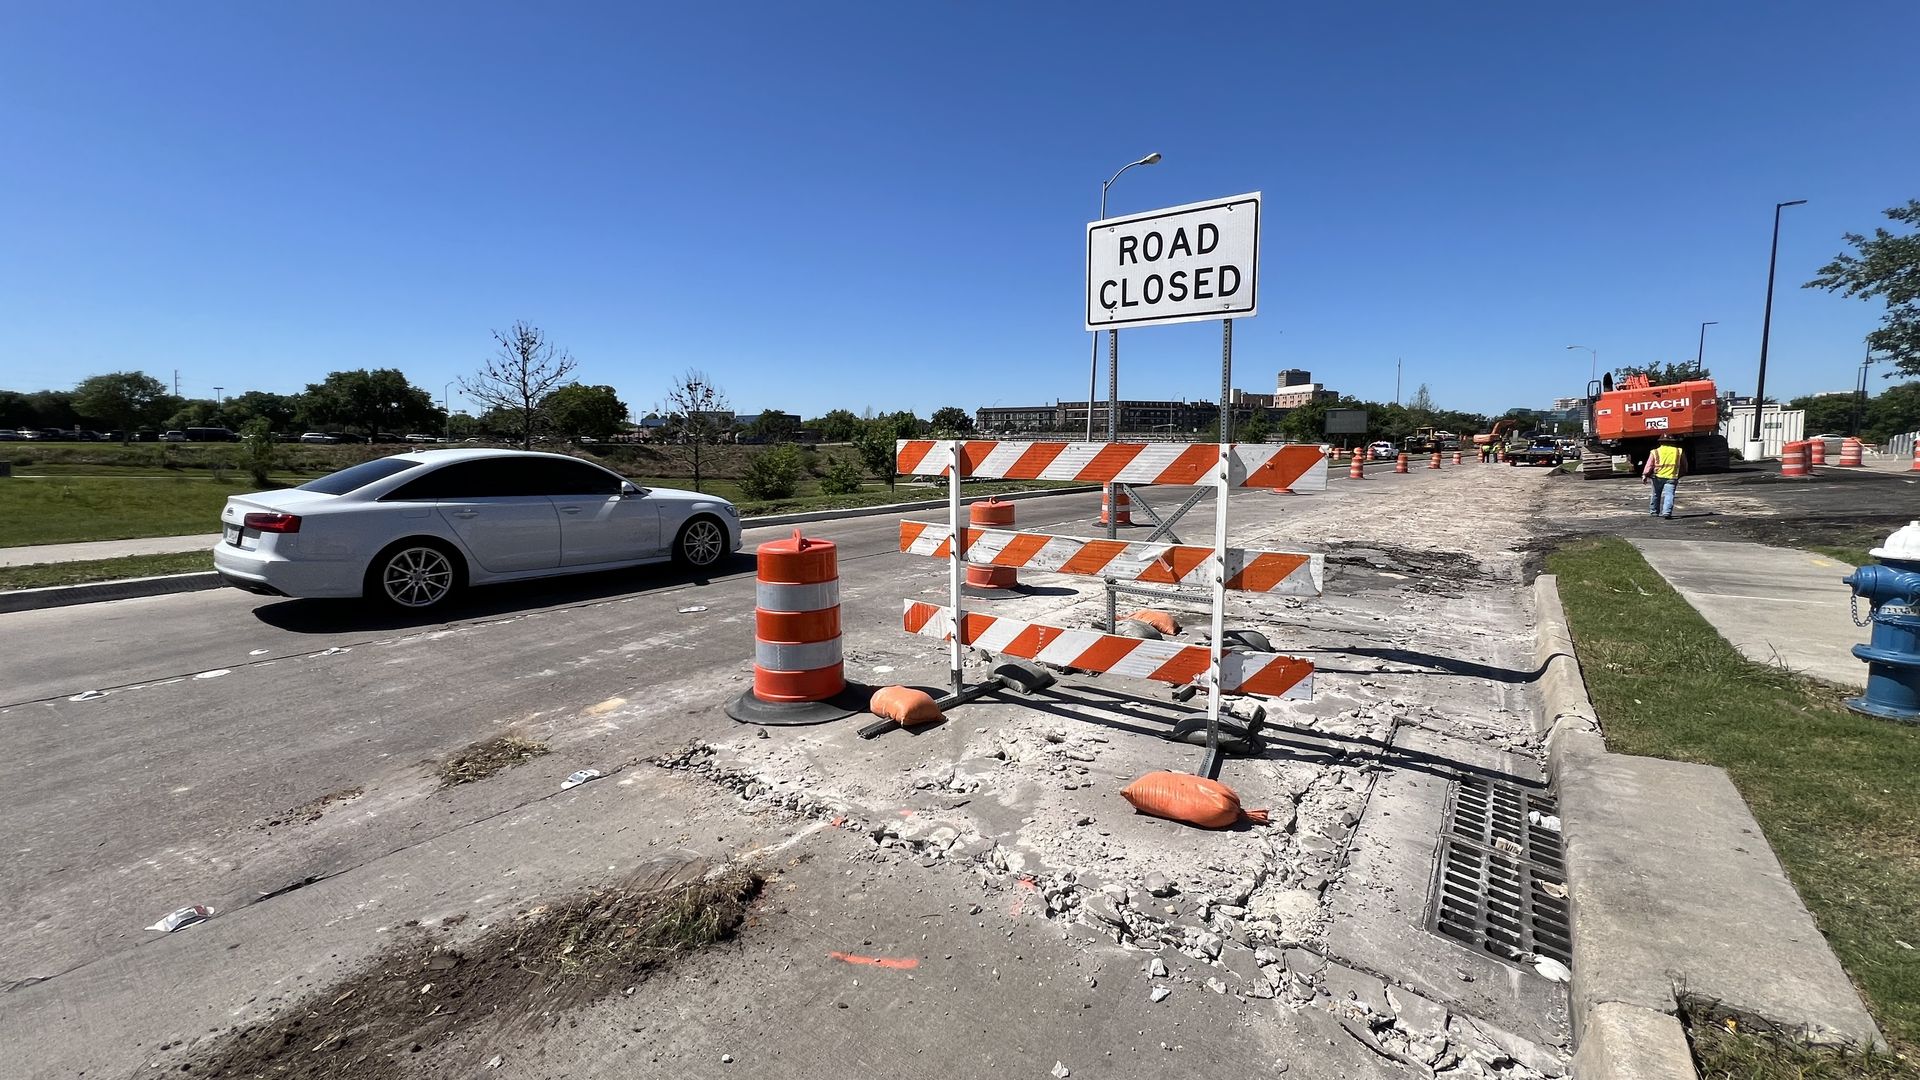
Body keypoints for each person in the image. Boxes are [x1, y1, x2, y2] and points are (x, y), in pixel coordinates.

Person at [1641, 435, 1686, 518]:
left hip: (1657, 477)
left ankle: (1654, 512)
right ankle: (1667, 512)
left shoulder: (1655, 452)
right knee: (1669, 495)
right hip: (1672, 477)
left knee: (1655, 494)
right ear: (1673, 442)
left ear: (1660, 442)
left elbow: (1649, 465)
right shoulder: (1678, 451)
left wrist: (1645, 475)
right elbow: (1684, 466)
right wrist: (1679, 475)